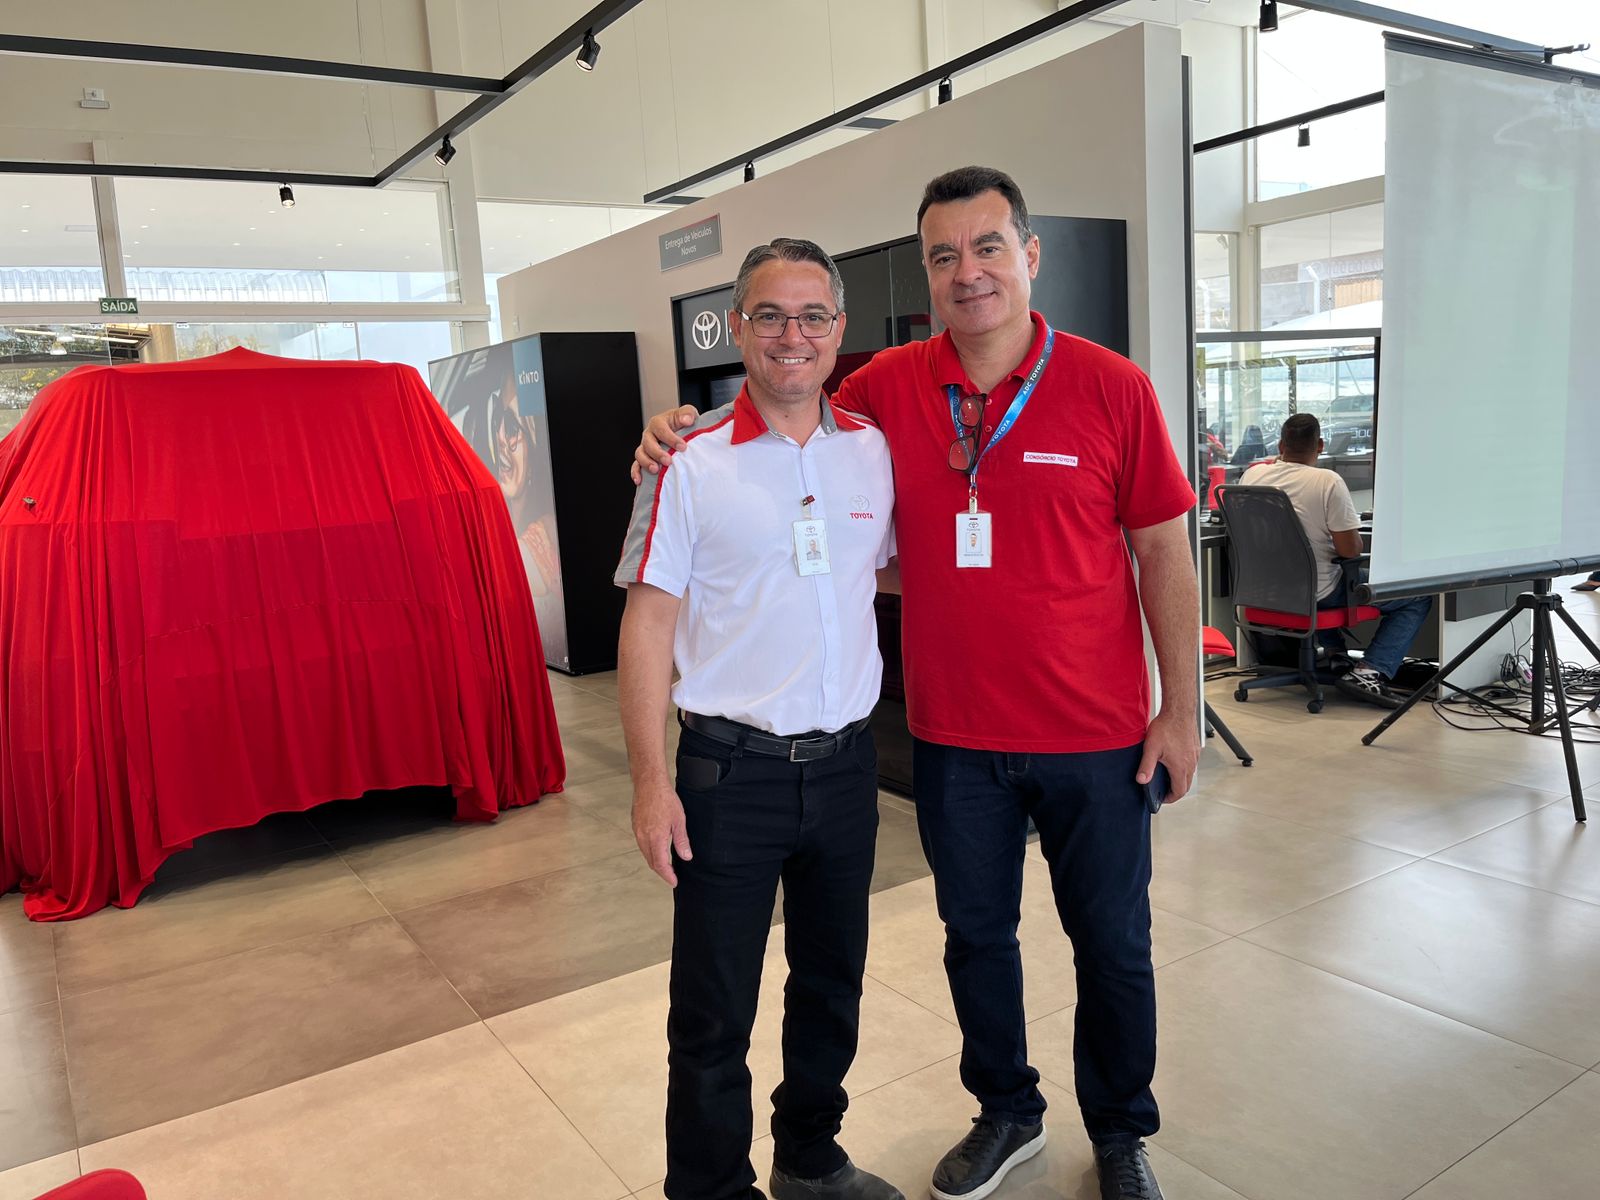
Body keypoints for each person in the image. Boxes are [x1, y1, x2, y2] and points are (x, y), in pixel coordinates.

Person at [637, 167, 1200, 1200]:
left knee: (1114, 946)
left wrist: (1181, 709)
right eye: (944, 255)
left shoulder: (1112, 386)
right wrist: (672, 428)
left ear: (1030, 255)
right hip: (952, 740)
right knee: (975, 939)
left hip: (1097, 734)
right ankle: (1007, 1110)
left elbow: (1164, 549)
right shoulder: (885, 390)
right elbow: (782, 411)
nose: (967, 272)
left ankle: (1121, 1130)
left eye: (988, 247)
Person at [616, 238, 902, 1200]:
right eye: (770, 315)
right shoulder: (684, 461)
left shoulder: (871, 451)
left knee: (831, 982)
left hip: (846, 771)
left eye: (813, 316)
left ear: (839, 330)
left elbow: (888, 574)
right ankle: (709, 1188)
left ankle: (809, 1156)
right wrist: (649, 783)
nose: (793, 335)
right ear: (737, 328)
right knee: (713, 1009)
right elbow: (648, 624)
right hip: (728, 778)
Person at [1241, 412, 1432, 697]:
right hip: (1316, 591)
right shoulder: (1327, 481)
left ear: (1280, 446)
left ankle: (1335, 655)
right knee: (1417, 595)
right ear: (1320, 445)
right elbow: (1350, 550)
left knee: (1325, 573)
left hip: (1265, 590)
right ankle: (1369, 670)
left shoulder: (1252, 474)